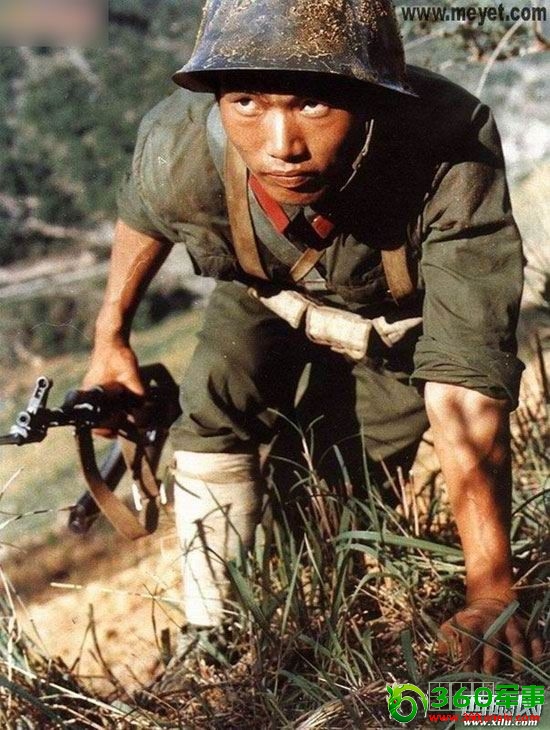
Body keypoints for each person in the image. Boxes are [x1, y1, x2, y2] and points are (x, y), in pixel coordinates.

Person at [82, 0, 542, 674]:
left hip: (393, 328)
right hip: (267, 292)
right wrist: (110, 338)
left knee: (329, 502)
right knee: (209, 408)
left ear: (373, 98)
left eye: (313, 104)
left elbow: (465, 385)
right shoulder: (181, 137)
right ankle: (212, 635)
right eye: (246, 103)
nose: (281, 145)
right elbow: (145, 213)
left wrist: (491, 594)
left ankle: (312, 618)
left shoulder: (447, 139)